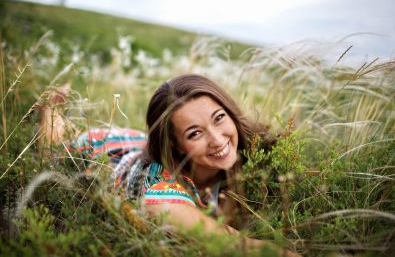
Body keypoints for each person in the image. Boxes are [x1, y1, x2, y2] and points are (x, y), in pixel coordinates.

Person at [37, 74, 300, 256]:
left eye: (219, 118)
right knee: (54, 148)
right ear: (175, 144)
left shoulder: (248, 149)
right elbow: (237, 247)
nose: (218, 140)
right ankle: (50, 108)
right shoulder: (162, 198)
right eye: (195, 133)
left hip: (139, 146)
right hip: (103, 153)